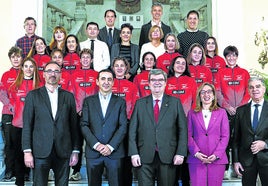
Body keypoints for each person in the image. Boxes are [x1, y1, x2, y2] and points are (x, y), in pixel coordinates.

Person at [22, 61, 80, 186]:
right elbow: (27, 126)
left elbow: (74, 126)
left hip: (63, 151)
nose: (52, 74)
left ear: (60, 75)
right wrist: (27, 152)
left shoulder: (69, 97)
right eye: (49, 71)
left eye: (56, 71)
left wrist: (75, 151)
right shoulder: (33, 96)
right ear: (43, 74)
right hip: (40, 151)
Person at [129, 69, 188, 186]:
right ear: (149, 83)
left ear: (166, 82)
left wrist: (180, 153)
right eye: (153, 80)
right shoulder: (140, 103)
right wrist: (134, 153)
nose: (157, 82)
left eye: (160, 79)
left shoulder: (175, 102)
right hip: (144, 156)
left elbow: (182, 130)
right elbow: (132, 131)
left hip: (168, 156)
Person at [80, 69, 127, 186]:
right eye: (103, 79)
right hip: (93, 153)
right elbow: (84, 125)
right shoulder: (88, 101)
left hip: (114, 153)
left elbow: (123, 126)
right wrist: (97, 145)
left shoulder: (120, 102)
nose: (106, 82)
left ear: (113, 83)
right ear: (97, 82)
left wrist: (110, 146)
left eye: (109, 79)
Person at [215, 46, 250, 177]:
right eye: (228, 56)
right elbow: (217, 92)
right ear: (225, 57)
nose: (231, 58)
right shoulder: (220, 73)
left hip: (242, 112)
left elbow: (248, 92)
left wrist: (240, 107)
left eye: (234, 55)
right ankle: (224, 170)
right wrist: (227, 106)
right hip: (225, 112)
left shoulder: (244, 73)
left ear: (237, 56)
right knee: (225, 139)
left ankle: (240, 168)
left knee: (240, 138)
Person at [187, 82, 229, 186]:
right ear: (199, 96)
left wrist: (216, 154)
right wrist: (196, 153)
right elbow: (188, 135)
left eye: (209, 92)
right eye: (203, 92)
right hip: (197, 160)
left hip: (217, 160)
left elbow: (225, 136)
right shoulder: (191, 113)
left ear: (214, 95)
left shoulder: (222, 112)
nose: (206, 95)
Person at [165, 56, 197, 186]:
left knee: (185, 158)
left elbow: (195, 102)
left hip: (187, 124)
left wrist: (191, 119)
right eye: (177, 63)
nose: (180, 65)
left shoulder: (191, 81)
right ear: (172, 65)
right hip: (168, 126)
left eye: (183, 63)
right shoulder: (166, 81)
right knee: (171, 157)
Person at [9, 57, 41, 186]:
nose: (28, 69)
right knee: (19, 156)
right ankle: (20, 182)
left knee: (36, 157)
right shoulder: (15, 85)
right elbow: (11, 102)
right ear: (22, 68)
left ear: (35, 69)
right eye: (26, 66)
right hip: (18, 126)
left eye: (31, 66)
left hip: (36, 127)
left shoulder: (40, 86)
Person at [69, 48, 99, 181]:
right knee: (77, 142)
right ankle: (76, 171)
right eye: (83, 58)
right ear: (80, 60)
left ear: (91, 60)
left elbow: (100, 94)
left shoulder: (97, 74)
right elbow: (71, 93)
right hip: (78, 113)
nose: (86, 60)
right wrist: (78, 109)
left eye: (88, 57)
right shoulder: (74, 75)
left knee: (94, 141)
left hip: (94, 114)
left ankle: (97, 169)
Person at [232, 77, 268, 186]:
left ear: (264, 89)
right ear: (248, 91)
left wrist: (265, 144)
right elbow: (235, 138)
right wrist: (236, 161)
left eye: (258, 86)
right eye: (251, 87)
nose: (255, 90)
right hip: (246, 160)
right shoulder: (240, 111)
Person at [111, 57, 140, 186]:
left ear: (126, 68)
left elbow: (135, 105)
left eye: (122, 66)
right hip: (110, 127)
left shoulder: (132, 86)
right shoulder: (108, 83)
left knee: (126, 162)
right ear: (113, 68)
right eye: (116, 65)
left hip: (127, 126)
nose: (119, 68)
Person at [0, 46, 23, 182]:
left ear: (22, 58)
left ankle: (24, 171)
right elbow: (2, 93)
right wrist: (11, 105)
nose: (15, 59)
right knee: (10, 144)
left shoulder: (26, 73)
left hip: (23, 115)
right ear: (10, 59)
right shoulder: (6, 75)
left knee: (23, 143)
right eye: (13, 56)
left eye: (18, 56)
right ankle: (9, 170)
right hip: (9, 113)